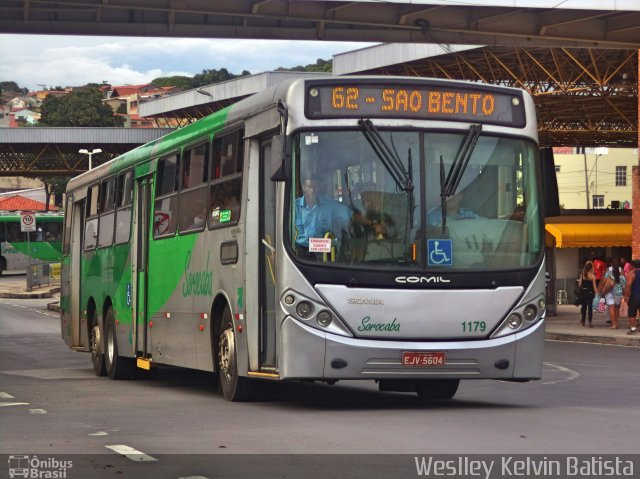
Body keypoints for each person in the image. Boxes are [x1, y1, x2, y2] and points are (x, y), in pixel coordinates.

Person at [294, 176, 350, 255]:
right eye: (309, 187)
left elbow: (348, 214)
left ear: (319, 187)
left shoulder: (329, 206)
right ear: (303, 187)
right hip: (298, 254)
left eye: (315, 187)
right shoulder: (294, 207)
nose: (312, 190)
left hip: (323, 255)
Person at [598, 259, 626, 330]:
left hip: (609, 291)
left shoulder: (608, 270)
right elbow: (623, 281)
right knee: (616, 308)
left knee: (611, 308)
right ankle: (616, 323)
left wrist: (599, 290)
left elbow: (603, 281)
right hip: (619, 292)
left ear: (611, 263)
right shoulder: (621, 270)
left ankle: (613, 325)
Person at [577, 260, 597, 327]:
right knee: (590, 308)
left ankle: (583, 321)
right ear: (591, 268)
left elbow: (580, 284)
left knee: (584, 307)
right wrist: (597, 293)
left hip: (583, 292)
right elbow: (594, 287)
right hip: (590, 293)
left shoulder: (582, 274)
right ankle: (589, 322)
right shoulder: (593, 276)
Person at [623, 259, 640, 335]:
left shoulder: (632, 273)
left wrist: (626, 296)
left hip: (635, 295)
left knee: (632, 313)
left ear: (633, 266)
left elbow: (628, 286)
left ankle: (633, 329)